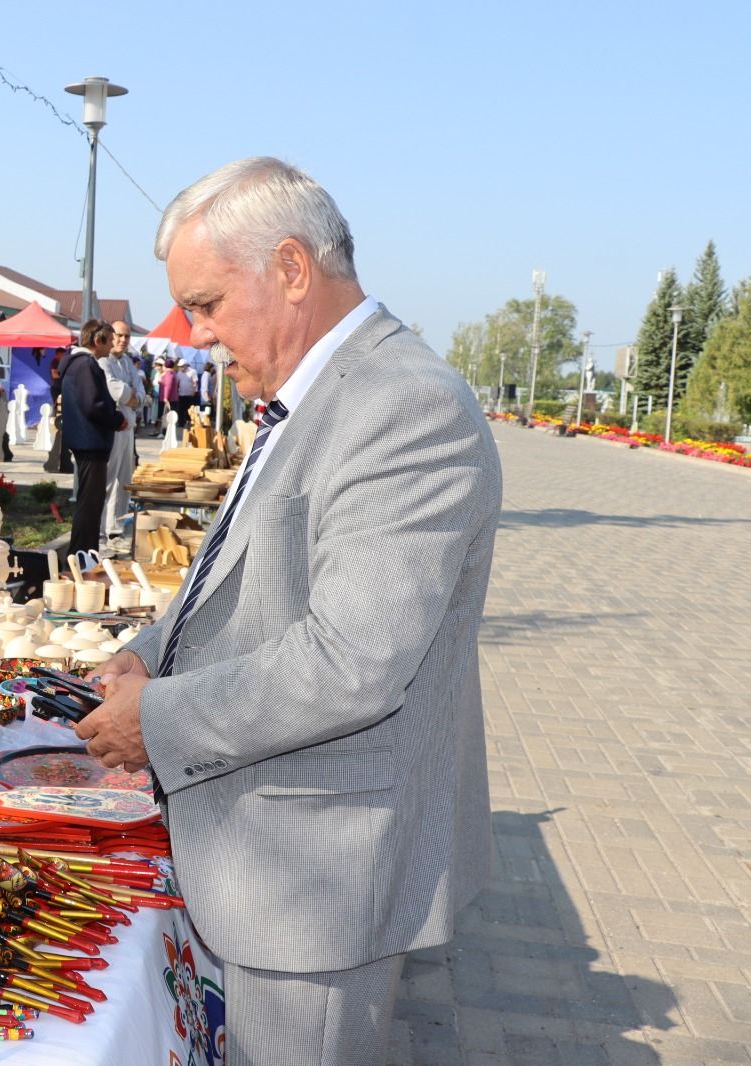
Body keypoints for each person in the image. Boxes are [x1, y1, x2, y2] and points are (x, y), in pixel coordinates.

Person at [75, 157, 500, 1065]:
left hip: (315, 884)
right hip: (267, 849)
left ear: (293, 270)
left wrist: (155, 721)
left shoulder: (403, 406)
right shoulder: (311, 395)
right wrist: (152, 651)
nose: (195, 335)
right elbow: (239, 577)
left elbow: (351, 658)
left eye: (207, 304)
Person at [59, 320, 125, 557]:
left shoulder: (78, 364)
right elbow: (92, 405)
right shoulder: (86, 365)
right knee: (90, 503)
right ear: (98, 340)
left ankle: (83, 555)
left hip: (87, 442)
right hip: (90, 442)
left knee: (90, 502)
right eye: (110, 340)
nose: (112, 346)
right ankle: (82, 556)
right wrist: (116, 419)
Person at [100, 321, 144, 547]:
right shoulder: (103, 360)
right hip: (113, 427)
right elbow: (115, 389)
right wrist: (131, 394)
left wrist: (132, 395)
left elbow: (142, 393)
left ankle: (115, 529)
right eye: (119, 335)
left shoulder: (127, 362)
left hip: (129, 427)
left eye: (127, 336)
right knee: (107, 480)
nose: (123, 340)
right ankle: (100, 531)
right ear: (110, 335)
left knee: (124, 480)